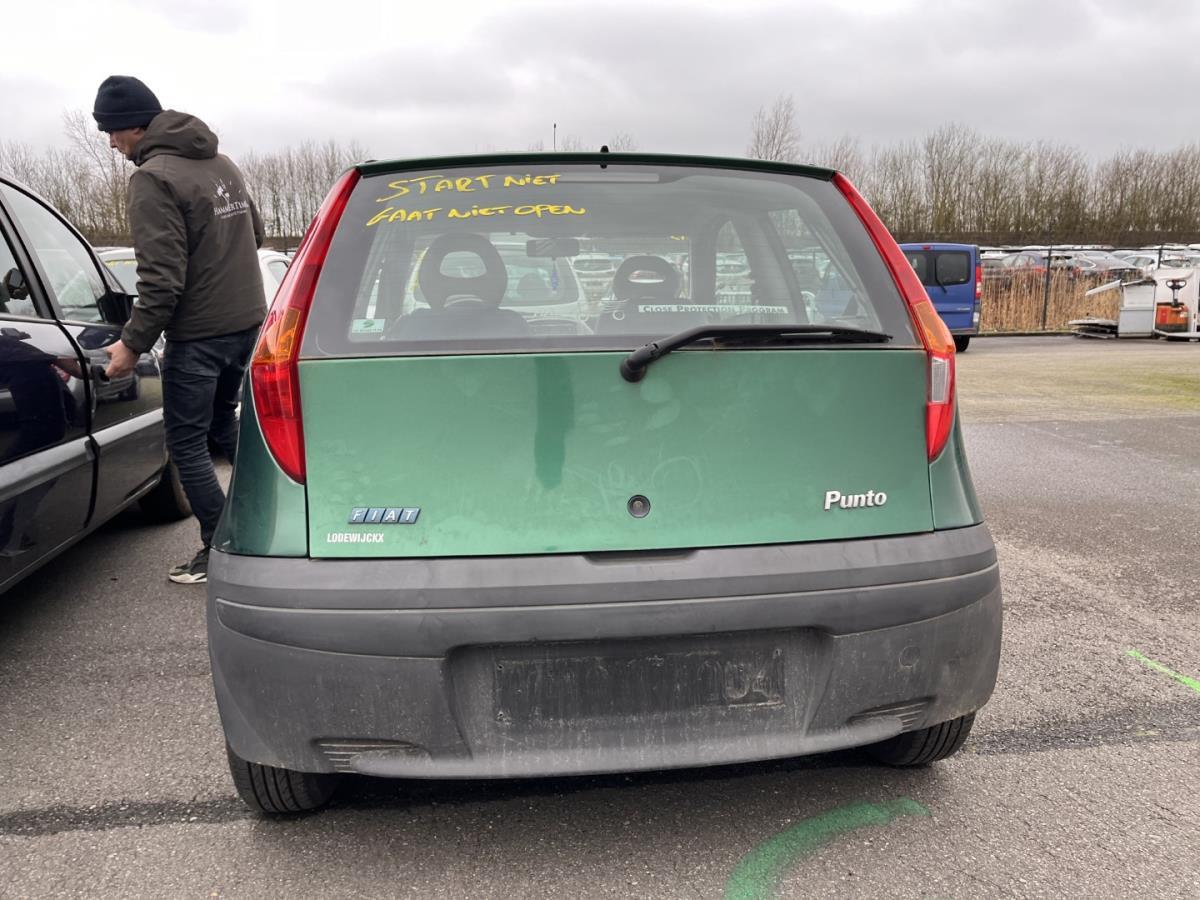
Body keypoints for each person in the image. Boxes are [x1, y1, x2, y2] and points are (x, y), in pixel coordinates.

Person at [94, 75, 266, 585]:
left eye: (112, 132)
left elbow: (161, 280)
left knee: (185, 442)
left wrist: (131, 344)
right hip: (247, 325)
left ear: (134, 127)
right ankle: (268, 521)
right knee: (225, 423)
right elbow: (256, 234)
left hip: (200, 335)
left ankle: (222, 548)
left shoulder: (152, 179)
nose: (112, 144)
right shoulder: (221, 163)